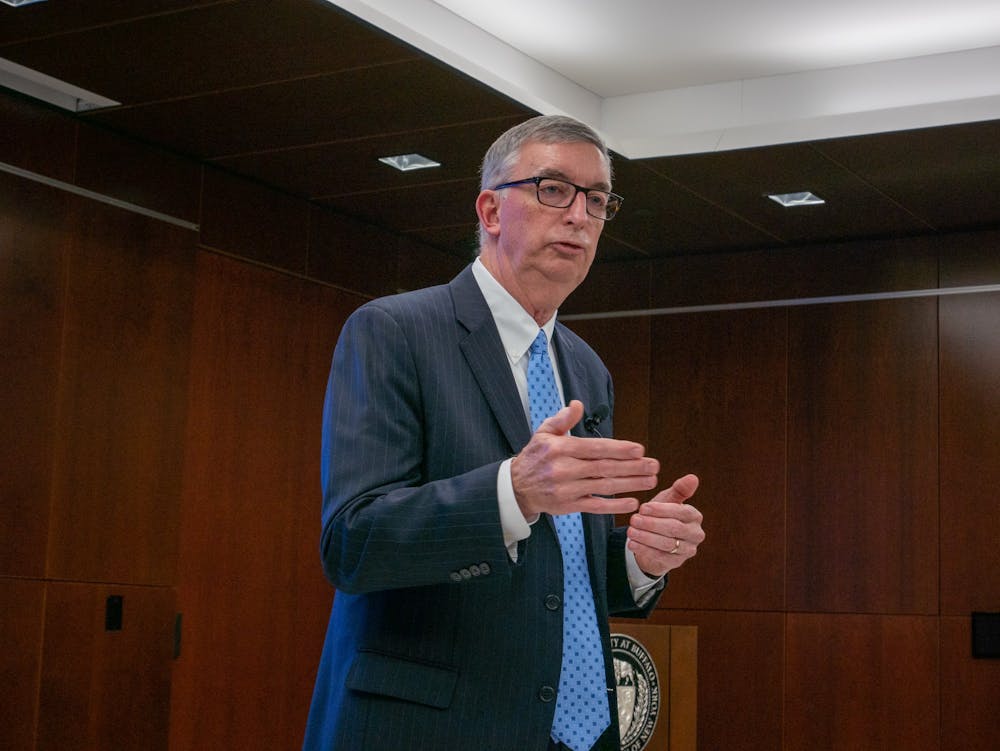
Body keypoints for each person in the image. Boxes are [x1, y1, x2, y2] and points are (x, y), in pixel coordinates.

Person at [302, 115, 705, 751]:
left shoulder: (588, 371)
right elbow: (354, 542)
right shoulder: (394, 332)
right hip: (428, 729)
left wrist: (637, 558)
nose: (579, 215)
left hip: (570, 736)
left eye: (597, 200)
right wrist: (512, 490)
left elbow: (558, 569)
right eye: (554, 189)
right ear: (491, 210)